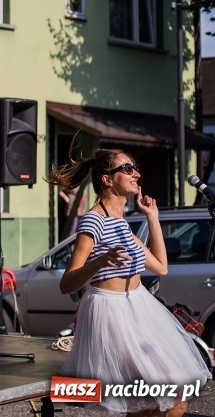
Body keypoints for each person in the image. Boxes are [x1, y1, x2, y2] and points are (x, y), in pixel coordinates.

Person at [48, 149, 211, 416]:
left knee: (153, 406)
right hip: (111, 316)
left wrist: (152, 218)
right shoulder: (94, 220)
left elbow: (161, 266)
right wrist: (99, 262)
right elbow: (67, 283)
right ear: (107, 179)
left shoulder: (121, 224)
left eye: (135, 167)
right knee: (167, 402)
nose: (136, 173)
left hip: (137, 309)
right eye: (126, 169)